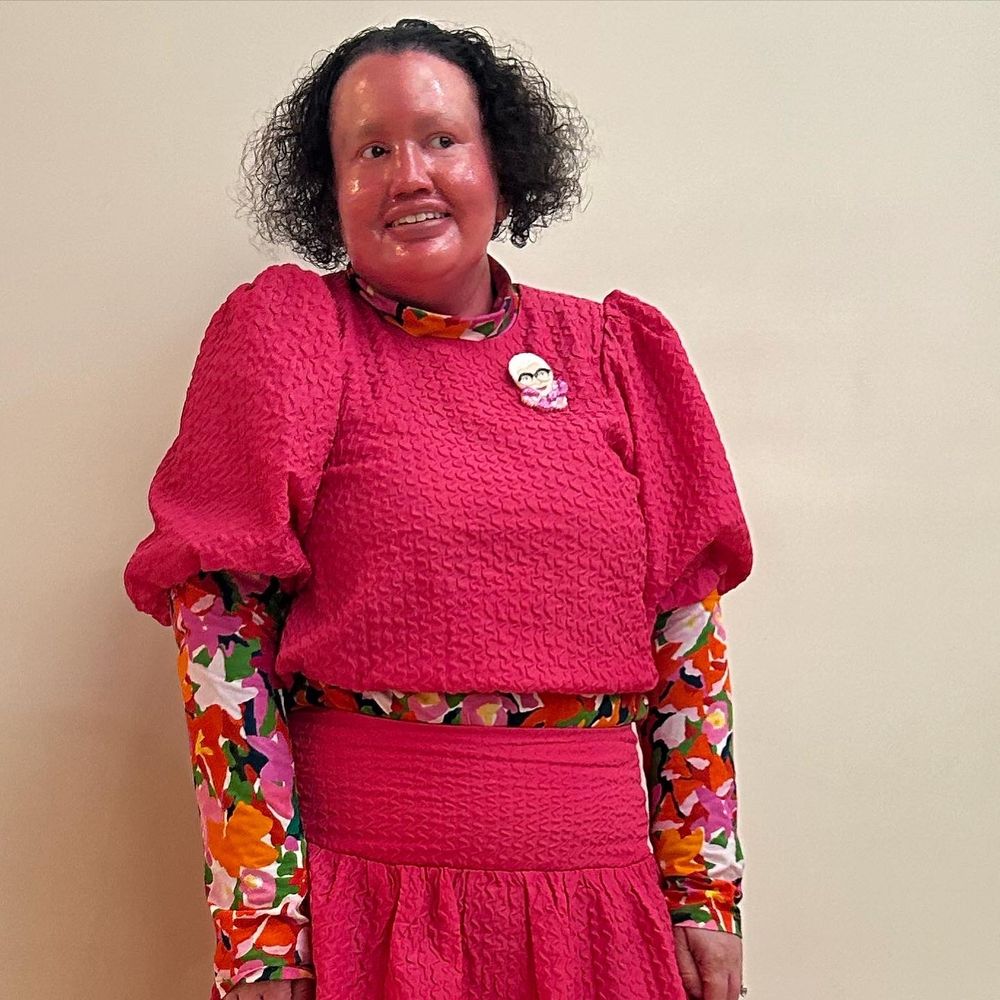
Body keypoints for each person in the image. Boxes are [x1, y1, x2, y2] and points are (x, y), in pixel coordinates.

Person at [123, 18, 753, 1000]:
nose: (408, 173)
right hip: (365, 908)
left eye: (440, 138)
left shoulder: (617, 354)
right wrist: (260, 936)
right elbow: (222, 645)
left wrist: (703, 895)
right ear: (329, 191)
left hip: (598, 911)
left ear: (502, 160)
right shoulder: (287, 339)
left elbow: (687, 646)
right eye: (369, 150)